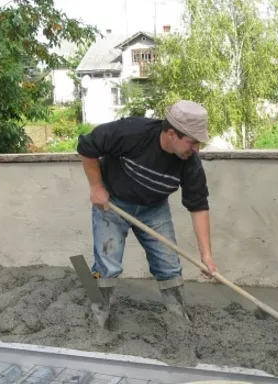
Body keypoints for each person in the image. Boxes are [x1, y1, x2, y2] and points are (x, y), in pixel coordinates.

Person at [76, 100, 216, 326]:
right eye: (192, 142)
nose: (196, 149)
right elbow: (86, 146)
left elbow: (198, 205)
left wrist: (206, 255)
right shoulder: (132, 132)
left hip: (154, 208)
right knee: (107, 265)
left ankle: (178, 317)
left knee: (169, 264)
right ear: (172, 133)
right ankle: (97, 315)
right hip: (113, 203)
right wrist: (96, 186)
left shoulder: (190, 163)